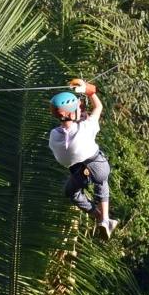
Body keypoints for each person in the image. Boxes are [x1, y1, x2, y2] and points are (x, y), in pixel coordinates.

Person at [49, 78, 117, 238]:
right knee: (102, 183)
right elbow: (98, 107)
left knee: (70, 192)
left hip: (78, 172)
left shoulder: (54, 135)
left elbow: (68, 130)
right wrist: (88, 89)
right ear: (73, 113)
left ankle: (98, 215)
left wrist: (78, 116)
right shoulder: (86, 127)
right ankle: (105, 219)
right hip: (97, 165)